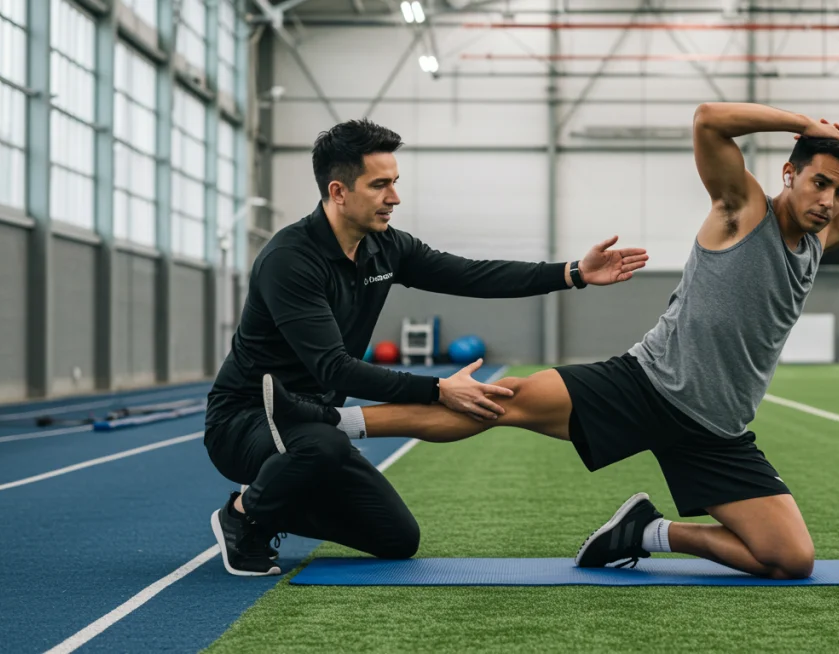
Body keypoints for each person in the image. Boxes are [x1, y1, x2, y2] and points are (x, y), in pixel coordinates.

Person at [268, 103, 839, 579]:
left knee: (790, 560)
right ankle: (331, 420)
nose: (830, 201)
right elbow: (708, 120)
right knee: (494, 404)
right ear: (788, 173)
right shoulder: (743, 208)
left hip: (720, 429)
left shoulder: (819, 243)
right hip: (647, 385)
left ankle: (647, 534)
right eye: (819, 184)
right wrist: (806, 121)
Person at [205, 119, 649, 576]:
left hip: (314, 423)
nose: (394, 197)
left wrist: (573, 272)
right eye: (379, 186)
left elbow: (472, 274)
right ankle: (243, 517)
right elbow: (334, 371)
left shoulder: (386, 248)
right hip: (246, 419)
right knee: (322, 449)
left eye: (394, 183)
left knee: (396, 537)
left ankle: (271, 499)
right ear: (338, 192)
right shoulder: (290, 260)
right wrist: (439, 389)